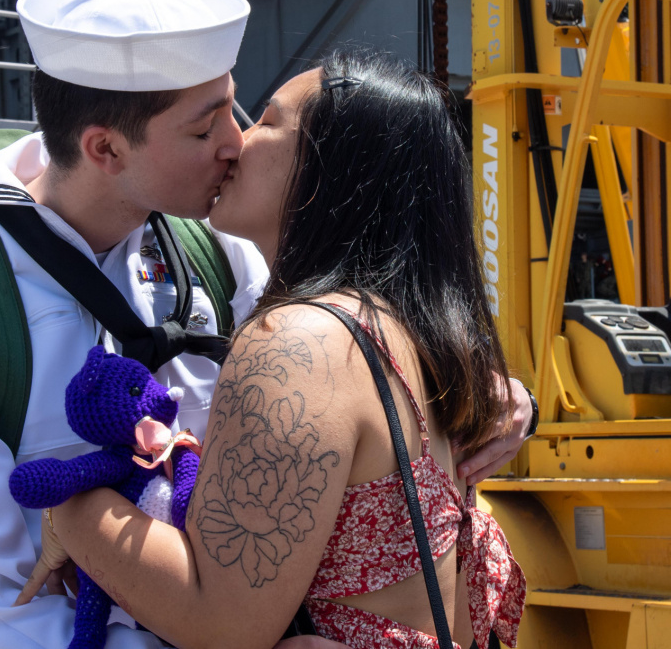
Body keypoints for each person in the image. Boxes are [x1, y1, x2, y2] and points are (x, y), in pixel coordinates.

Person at [0, 0, 532, 649]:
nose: (235, 142)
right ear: (106, 148)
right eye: (204, 125)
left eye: (238, 111)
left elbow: (360, 344)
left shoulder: (222, 254)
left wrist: (497, 397)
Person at [37, 50, 527, 649]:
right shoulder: (399, 327)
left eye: (266, 122)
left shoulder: (298, 342)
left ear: (331, 170)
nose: (236, 143)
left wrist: (72, 510)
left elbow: (219, 623)